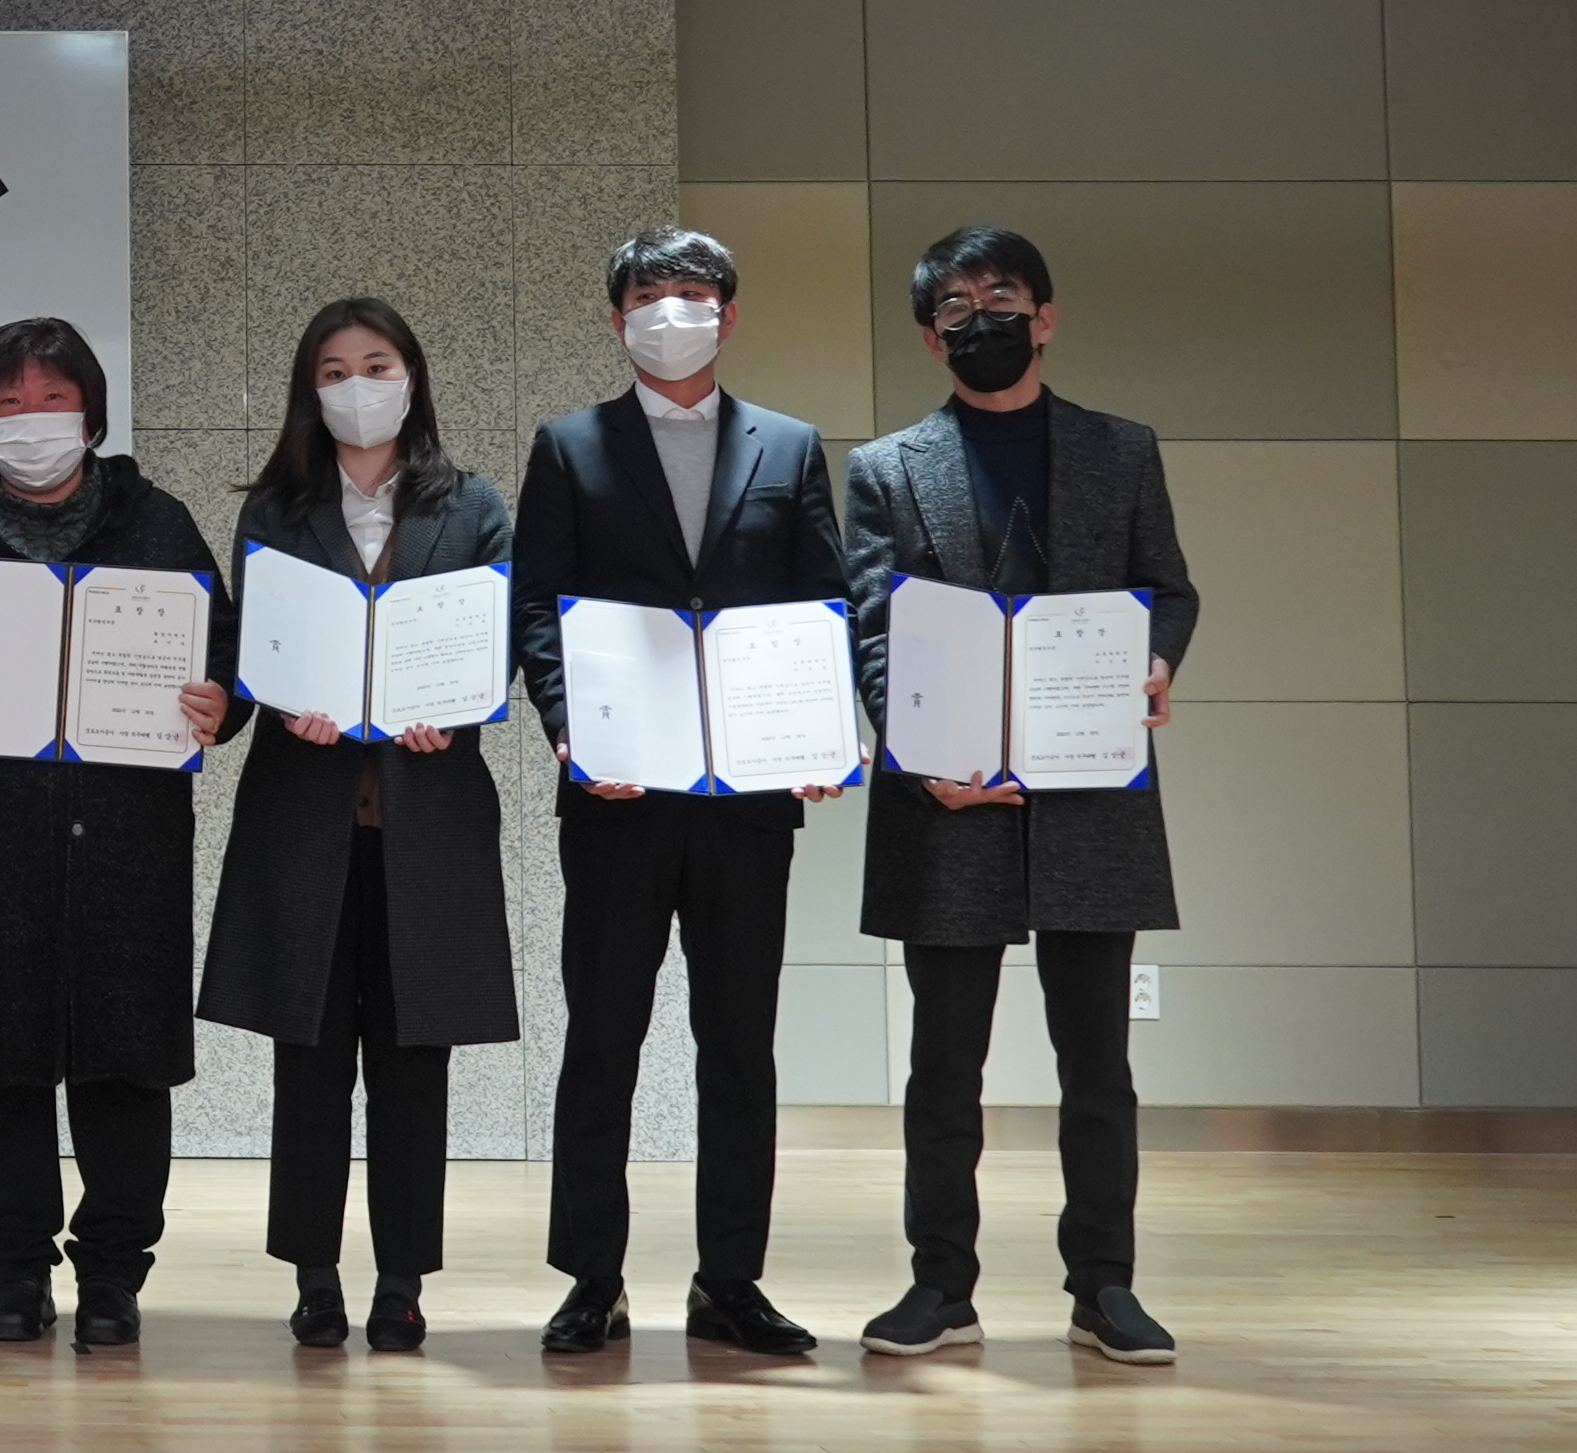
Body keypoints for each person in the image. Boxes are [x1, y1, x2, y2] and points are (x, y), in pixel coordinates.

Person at [844, 226, 1198, 1368]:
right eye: (954, 305)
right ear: (929, 335)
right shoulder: (887, 466)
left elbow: (1168, 590)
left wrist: (1157, 661)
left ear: (1045, 317)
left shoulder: (1120, 448)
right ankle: (940, 1285)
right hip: (945, 799)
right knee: (945, 1065)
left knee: (1097, 1065)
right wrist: (918, 754)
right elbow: (871, 629)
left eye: (1000, 296)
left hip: (1091, 791)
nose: (979, 317)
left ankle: (1105, 1286)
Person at [510, 228, 849, 1360]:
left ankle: (730, 1281)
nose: (673, 311)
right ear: (618, 320)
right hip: (617, 795)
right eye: (650, 295)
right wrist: (566, 727)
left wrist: (823, 729)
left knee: (739, 1043)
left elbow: (822, 602)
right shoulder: (570, 445)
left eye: (694, 293)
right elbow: (539, 605)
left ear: (729, 313)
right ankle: (591, 1279)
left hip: (748, 802)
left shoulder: (788, 445)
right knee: (602, 1036)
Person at [0, 317, 235, 1351]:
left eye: (53, 398)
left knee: (126, 1062)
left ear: (90, 412)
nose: (32, 419)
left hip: (128, 838)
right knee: (0, 1061)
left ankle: (115, 1274)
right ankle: (16, 1272)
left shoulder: (156, 520)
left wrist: (222, 703)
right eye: (9, 401)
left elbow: (222, 653)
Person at [198, 298, 515, 1354]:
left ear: (412, 376)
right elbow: (251, 646)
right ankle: (314, 1273)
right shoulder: (277, 508)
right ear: (310, 391)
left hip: (429, 820)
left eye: (376, 364)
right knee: (310, 1058)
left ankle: (404, 1279)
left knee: (415, 1062)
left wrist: (458, 707)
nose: (357, 386)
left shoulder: (473, 504)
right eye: (333, 371)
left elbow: (496, 643)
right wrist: (278, 696)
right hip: (307, 814)